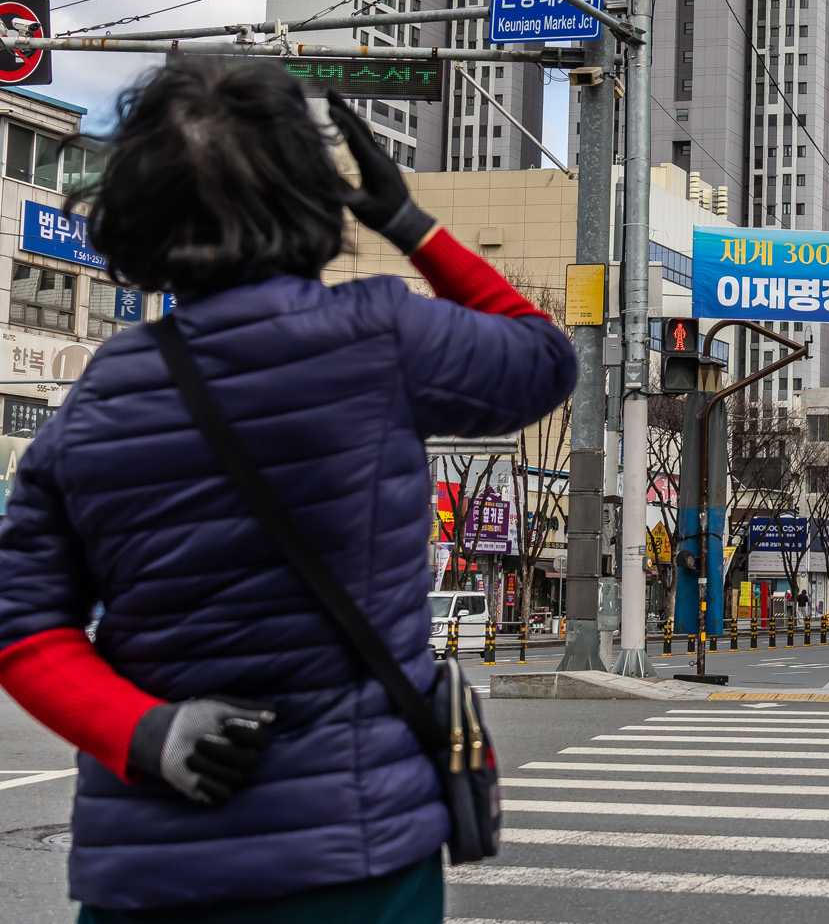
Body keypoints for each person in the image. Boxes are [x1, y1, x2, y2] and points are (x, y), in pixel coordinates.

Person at [0, 62, 577, 921]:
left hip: (153, 870)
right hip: (355, 854)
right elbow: (542, 360)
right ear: (314, 200)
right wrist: (408, 222)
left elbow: (24, 629)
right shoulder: (381, 335)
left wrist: (143, 731)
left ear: (136, 213)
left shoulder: (99, 399)